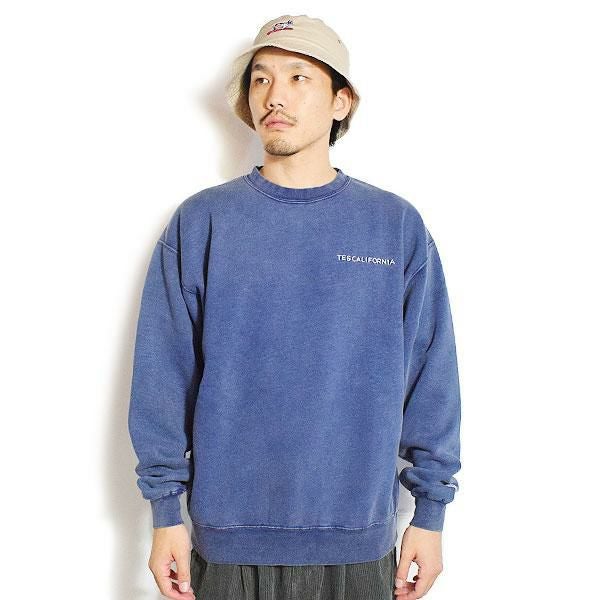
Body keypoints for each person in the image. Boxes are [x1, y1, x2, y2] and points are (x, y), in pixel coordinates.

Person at [127, 13, 462, 600]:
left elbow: (431, 375)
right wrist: (164, 511)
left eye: (298, 77)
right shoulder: (204, 221)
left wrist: (430, 515)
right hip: (227, 543)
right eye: (260, 79)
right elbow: (163, 373)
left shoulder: (393, 226)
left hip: (358, 543)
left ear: (341, 102)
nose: (273, 96)